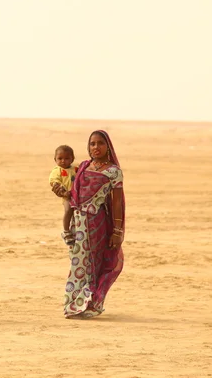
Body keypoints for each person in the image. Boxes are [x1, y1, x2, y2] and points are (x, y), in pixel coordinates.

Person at [52, 130, 125, 319]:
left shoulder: (113, 172)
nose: (96, 147)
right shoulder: (83, 167)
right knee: (78, 263)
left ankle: (90, 304)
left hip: (96, 223)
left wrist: (117, 230)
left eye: (100, 143)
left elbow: (117, 202)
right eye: (92, 144)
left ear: (108, 146)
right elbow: (73, 195)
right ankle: (73, 304)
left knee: (93, 263)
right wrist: (61, 192)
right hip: (78, 223)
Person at [49, 145, 78, 245]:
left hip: (77, 196)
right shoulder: (57, 171)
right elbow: (54, 182)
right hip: (67, 197)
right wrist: (63, 192)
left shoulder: (75, 168)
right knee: (68, 210)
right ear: (55, 159)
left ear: (72, 159)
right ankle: (66, 231)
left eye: (66, 158)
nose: (63, 161)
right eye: (60, 158)